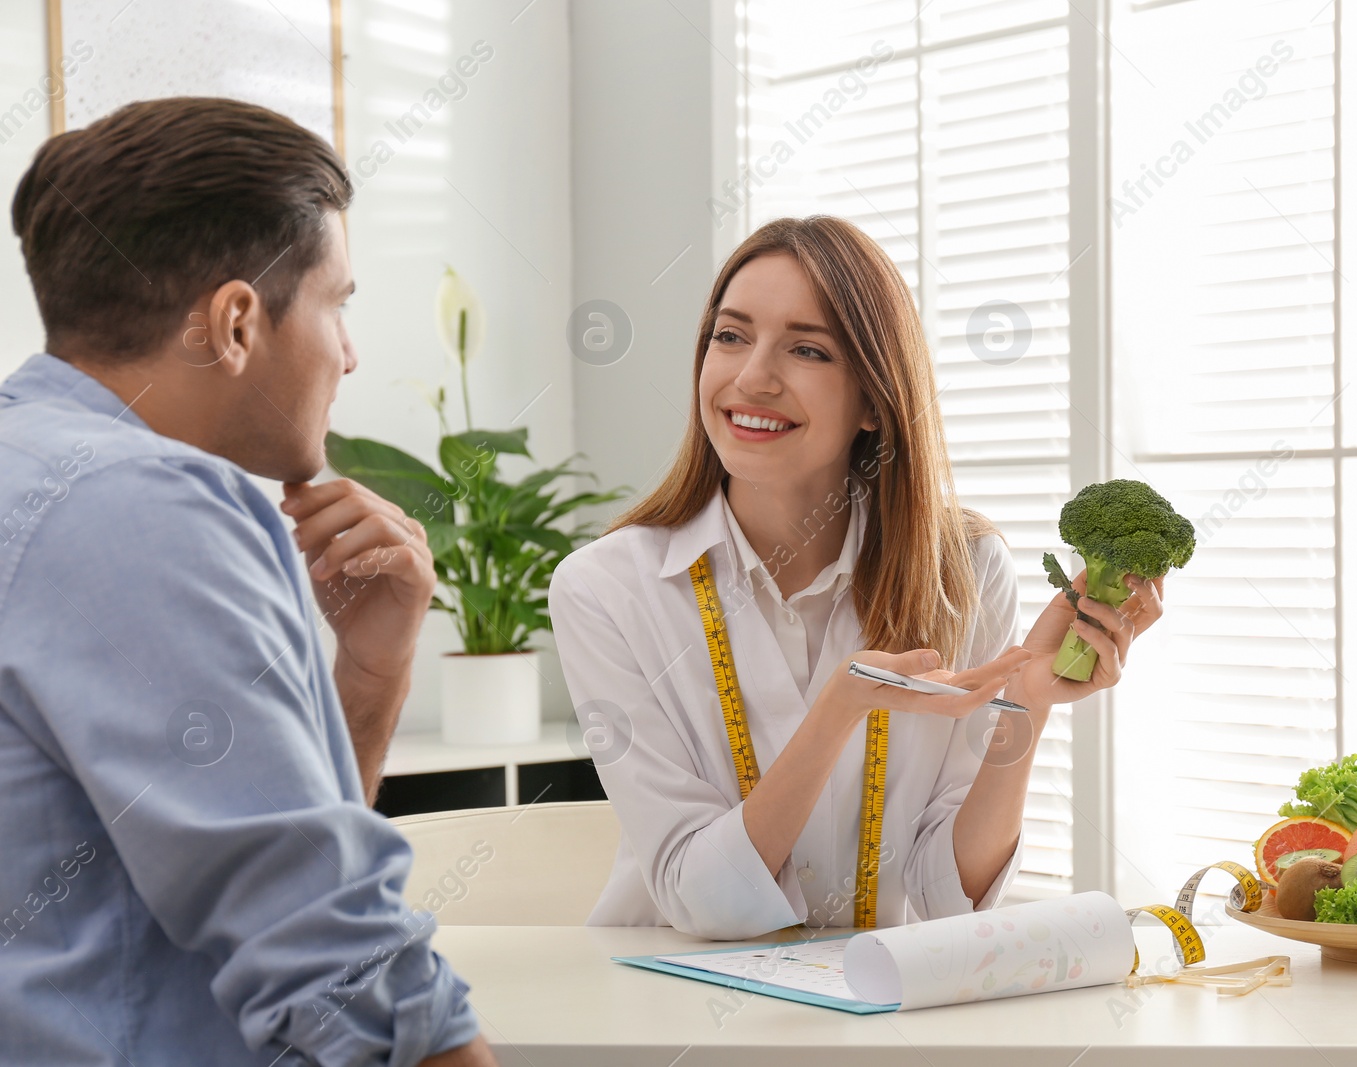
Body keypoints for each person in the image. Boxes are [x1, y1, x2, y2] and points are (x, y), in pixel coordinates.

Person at [0, 98, 494, 1065]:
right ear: (234, 322)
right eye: (337, 303)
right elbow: (339, 967)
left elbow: (244, 852)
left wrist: (373, 667)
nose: (348, 355)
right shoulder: (145, 503)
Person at [548, 216, 1165, 941]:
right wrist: (838, 709)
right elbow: (704, 901)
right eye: (730, 335)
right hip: (669, 1025)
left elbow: (946, 897)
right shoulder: (606, 589)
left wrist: (1026, 703)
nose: (752, 377)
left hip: (871, 1015)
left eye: (807, 349)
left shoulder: (963, 573)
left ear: (875, 401)